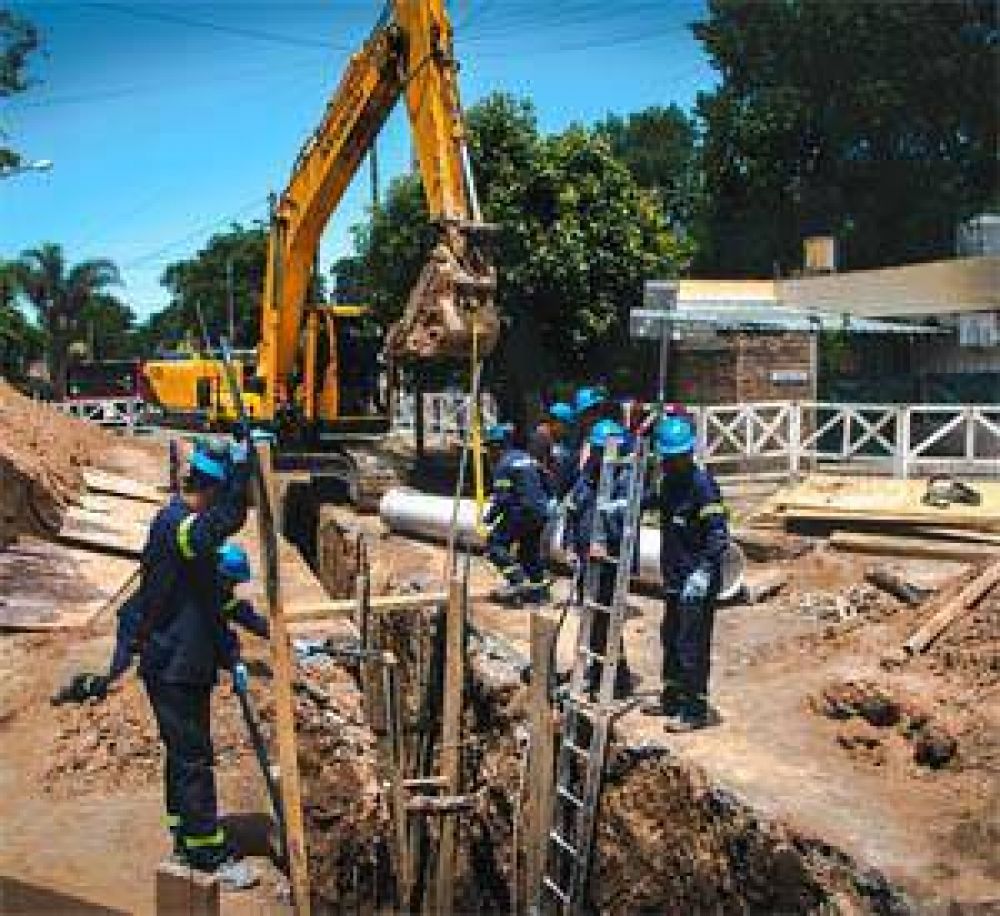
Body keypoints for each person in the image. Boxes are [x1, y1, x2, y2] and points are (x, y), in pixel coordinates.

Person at [135, 439, 256, 884]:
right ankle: (206, 852)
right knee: (193, 759)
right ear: (210, 490)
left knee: (184, 755)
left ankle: (185, 836)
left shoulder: (191, 536)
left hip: (183, 661)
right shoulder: (178, 526)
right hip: (173, 665)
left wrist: (231, 657)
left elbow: (212, 605)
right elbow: (220, 524)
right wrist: (242, 479)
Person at [641, 414, 729, 732]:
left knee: (692, 644)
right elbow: (658, 501)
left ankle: (695, 709)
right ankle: (672, 697)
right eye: (666, 456)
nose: (668, 462)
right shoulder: (670, 481)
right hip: (675, 577)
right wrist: (630, 503)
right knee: (671, 638)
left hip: (696, 581)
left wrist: (704, 572)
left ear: (687, 455)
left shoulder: (702, 485)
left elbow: (718, 534)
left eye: (673, 457)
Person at [563, 418, 636, 698]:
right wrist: (570, 545)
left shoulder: (624, 480)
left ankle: (617, 679)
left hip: (609, 563)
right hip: (586, 561)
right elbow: (573, 509)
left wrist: (606, 544)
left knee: (607, 623)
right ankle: (595, 671)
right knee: (591, 621)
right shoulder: (587, 476)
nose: (596, 455)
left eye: (600, 450)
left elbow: (627, 522)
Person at [483, 422, 554, 604]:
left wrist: (489, 518)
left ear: (498, 446)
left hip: (521, 512)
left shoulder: (503, 465)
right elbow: (547, 482)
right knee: (528, 552)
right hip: (541, 512)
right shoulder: (527, 458)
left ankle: (518, 581)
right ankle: (540, 594)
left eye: (490, 448)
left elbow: (502, 499)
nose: (489, 453)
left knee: (494, 545)